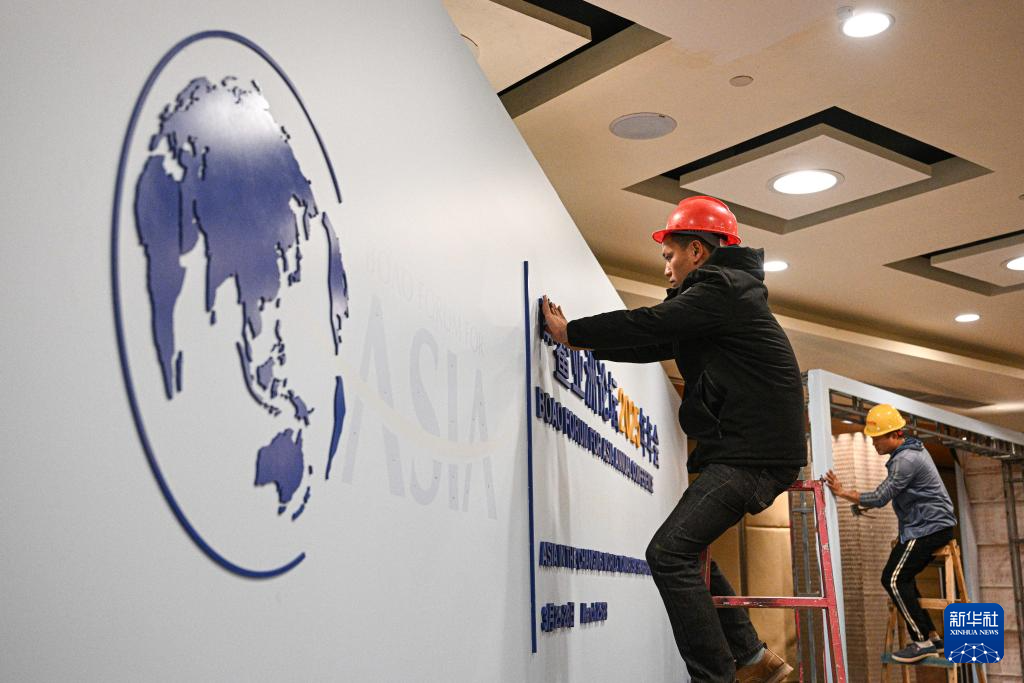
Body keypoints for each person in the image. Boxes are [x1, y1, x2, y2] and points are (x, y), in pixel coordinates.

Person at [542, 195, 806, 683]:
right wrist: (580, 343)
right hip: (748, 453)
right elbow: (655, 341)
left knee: (667, 554)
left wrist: (570, 332)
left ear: (697, 251)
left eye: (670, 255)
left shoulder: (722, 288)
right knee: (689, 549)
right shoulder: (726, 295)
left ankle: (715, 677)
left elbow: (653, 323)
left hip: (753, 458)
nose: (666, 267)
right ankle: (752, 657)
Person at [826, 404, 957, 664]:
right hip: (929, 525)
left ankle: (922, 642)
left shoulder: (905, 460)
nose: (874, 443)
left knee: (893, 579)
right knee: (903, 577)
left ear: (895, 435)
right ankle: (932, 637)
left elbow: (880, 497)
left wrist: (842, 492)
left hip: (929, 527)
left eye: (878, 438)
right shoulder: (911, 452)